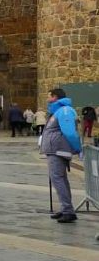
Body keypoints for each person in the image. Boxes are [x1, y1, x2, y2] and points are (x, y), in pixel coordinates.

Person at [40, 88, 82, 223]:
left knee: (58, 179)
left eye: (49, 96)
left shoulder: (64, 111)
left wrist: (77, 148)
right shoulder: (58, 111)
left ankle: (68, 211)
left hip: (58, 150)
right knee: (60, 179)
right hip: (55, 149)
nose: (47, 99)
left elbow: (69, 132)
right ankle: (66, 208)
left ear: (55, 97)